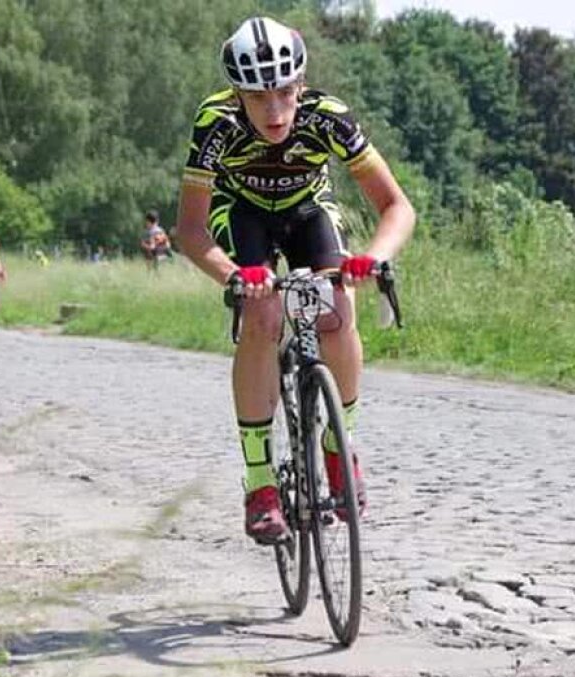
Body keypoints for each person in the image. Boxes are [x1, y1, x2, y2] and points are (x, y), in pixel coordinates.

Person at [176, 16, 416, 544]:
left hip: (308, 210)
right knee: (263, 315)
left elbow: (397, 206)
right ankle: (261, 485)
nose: (276, 109)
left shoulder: (328, 117)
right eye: (259, 97)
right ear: (238, 93)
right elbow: (190, 230)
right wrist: (235, 275)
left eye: (285, 92)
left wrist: (372, 257)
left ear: (301, 84)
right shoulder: (215, 123)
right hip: (241, 214)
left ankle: (339, 447)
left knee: (338, 307)